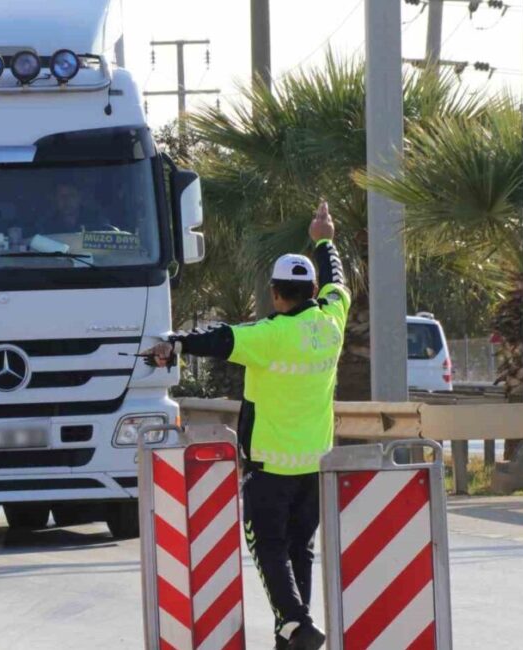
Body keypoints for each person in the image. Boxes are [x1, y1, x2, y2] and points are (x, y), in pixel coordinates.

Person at [144, 201, 347, 650]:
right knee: (300, 551)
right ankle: (292, 636)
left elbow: (217, 338)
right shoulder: (332, 322)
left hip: (268, 468)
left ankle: (295, 622)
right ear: (311, 290)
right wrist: (324, 239)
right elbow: (339, 281)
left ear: (276, 294)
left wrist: (173, 344)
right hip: (314, 463)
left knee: (268, 547)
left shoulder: (266, 336)